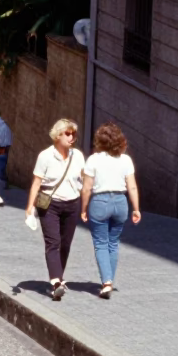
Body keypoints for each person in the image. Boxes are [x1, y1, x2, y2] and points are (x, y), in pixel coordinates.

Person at [26, 118, 85, 300]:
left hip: (72, 204)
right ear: (57, 135)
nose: (71, 137)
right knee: (53, 243)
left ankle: (58, 277)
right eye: (67, 133)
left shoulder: (78, 156)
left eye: (73, 134)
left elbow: (84, 180)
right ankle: (56, 282)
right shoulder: (45, 156)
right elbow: (36, 183)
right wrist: (29, 209)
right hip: (50, 204)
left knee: (65, 245)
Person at [81, 122, 141, 298]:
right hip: (120, 202)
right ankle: (109, 281)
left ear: (100, 141)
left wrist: (83, 208)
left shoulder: (93, 159)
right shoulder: (126, 160)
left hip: (100, 201)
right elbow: (133, 187)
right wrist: (136, 208)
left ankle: (106, 282)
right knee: (113, 243)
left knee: (101, 243)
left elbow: (86, 188)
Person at [0, 111, 13, 191]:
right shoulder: (0, 126)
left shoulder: (2, 127)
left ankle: (2, 185)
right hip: (0, 148)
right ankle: (1, 184)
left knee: (0, 168)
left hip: (1, 149)